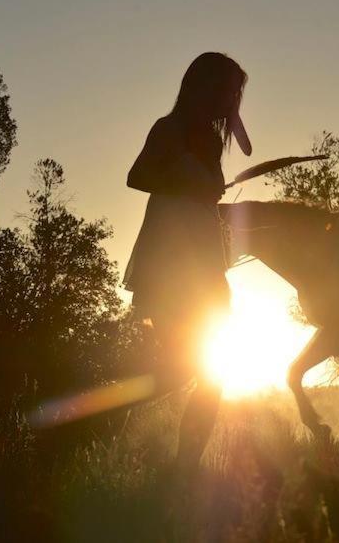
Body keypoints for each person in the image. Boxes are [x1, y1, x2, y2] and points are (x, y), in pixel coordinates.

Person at [123, 52, 251, 469]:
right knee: (182, 370)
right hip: (168, 266)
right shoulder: (169, 129)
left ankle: (185, 468)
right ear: (207, 87)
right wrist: (186, 182)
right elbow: (137, 175)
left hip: (205, 264)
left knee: (212, 372)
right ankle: (97, 412)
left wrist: (206, 187)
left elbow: (209, 189)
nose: (233, 99)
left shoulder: (211, 138)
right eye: (229, 90)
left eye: (236, 93)